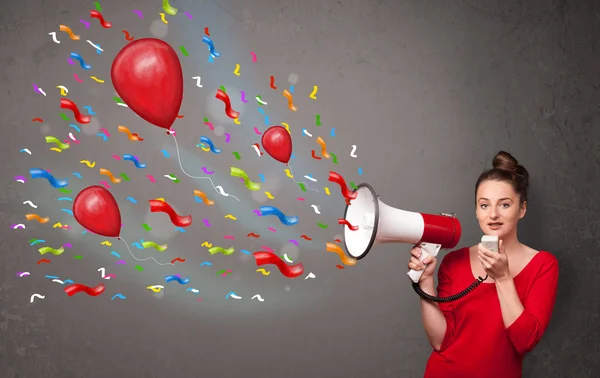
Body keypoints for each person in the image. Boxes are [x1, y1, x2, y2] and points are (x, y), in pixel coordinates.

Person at [408, 151, 559, 378]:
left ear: (522, 209)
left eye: (505, 205)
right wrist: (426, 283)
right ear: (477, 211)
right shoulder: (454, 262)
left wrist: (503, 278)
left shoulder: (543, 265)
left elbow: (525, 341)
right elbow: (440, 341)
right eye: (484, 205)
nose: (493, 215)